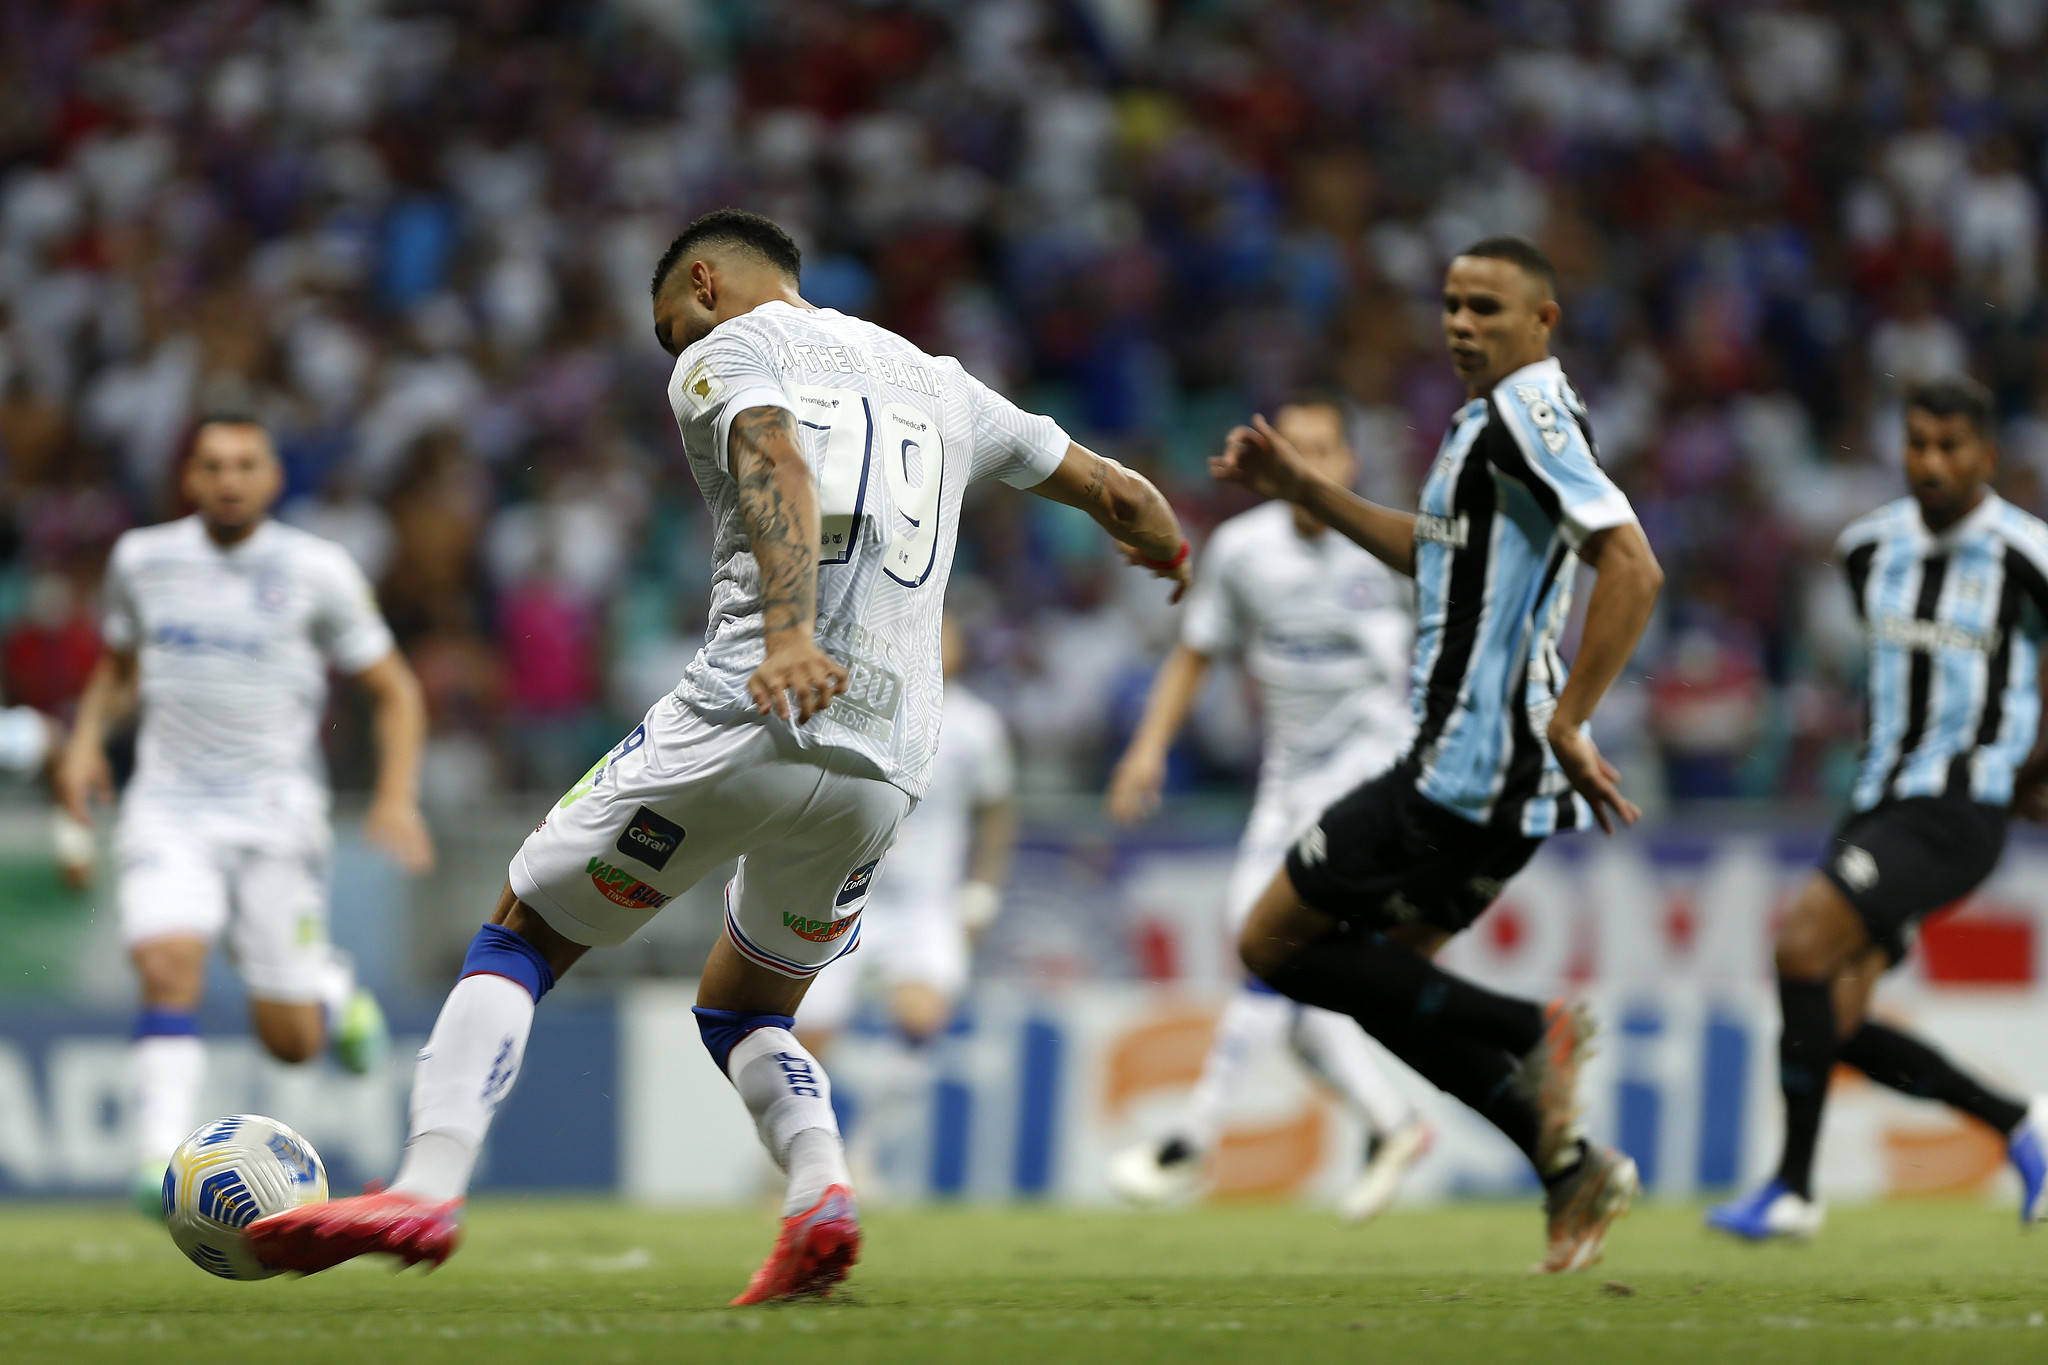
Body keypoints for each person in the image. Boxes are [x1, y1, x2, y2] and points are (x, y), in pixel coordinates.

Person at [247, 209, 1191, 1303]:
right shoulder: (942, 382)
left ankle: (426, 1184)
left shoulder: (730, 348)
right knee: (746, 1008)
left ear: (704, 282)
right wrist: (1166, 543)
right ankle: (820, 1194)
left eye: (669, 326)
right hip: (886, 766)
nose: (674, 350)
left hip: (752, 712)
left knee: (522, 931)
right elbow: (1118, 493)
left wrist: (788, 633)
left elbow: (775, 455)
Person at [1212, 236, 1664, 1274]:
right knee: (1385, 983)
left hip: (1467, 762)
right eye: (1453, 304)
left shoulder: (1525, 415)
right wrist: (1302, 486)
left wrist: (1572, 719)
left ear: (1542, 320)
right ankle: (1564, 1167)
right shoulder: (1490, 423)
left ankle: (1530, 1026)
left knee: (1271, 942)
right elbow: (1436, 556)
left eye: (1486, 308)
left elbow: (1632, 567)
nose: (1461, 323)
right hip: (1502, 775)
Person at [53, 415, 435, 1215]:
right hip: (169, 807)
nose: (229, 479)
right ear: (189, 477)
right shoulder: (143, 560)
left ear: (272, 477)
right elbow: (119, 669)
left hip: (276, 815)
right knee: (167, 965)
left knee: (290, 1040)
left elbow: (394, 689)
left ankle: (329, 988)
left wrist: (396, 794)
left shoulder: (318, 569)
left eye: (245, 464)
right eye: (213, 464)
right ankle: (157, 1158)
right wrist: (86, 741)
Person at [1708, 377, 2048, 1242]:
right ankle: (2020, 1124)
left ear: (1986, 455)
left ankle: (1792, 1187)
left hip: (1960, 807)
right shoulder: (1867, 549)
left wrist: (2028, 769)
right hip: (1877, 802)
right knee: (1835, 1019)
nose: (1931, 462)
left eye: (1950, 446)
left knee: (1800, 945)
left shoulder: (2026, 554)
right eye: (1917, 443)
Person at [1104, 393, 1431, 1222]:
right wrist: (1148, 748)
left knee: (1271, 945)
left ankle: (1191, 1139)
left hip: (1372, 770)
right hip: (1287, 780)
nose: (1312, 463)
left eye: (1326, 449)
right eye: (1298, 449)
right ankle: (1393, 1123)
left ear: (1350, 462)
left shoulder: (1388, 546)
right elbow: (1195, 653)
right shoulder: (1243, 551)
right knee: (1286, 986)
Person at [797, 615, 1016, 1193]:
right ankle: (796, 1158)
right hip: (848, 890)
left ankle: (864, 1153)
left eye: (951, 634)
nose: (942, 644)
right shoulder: (862, 702)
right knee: (809, 1035)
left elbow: (997, 809)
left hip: (926, 902)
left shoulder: (976, 725)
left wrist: (982, 891)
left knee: (921, 1018)